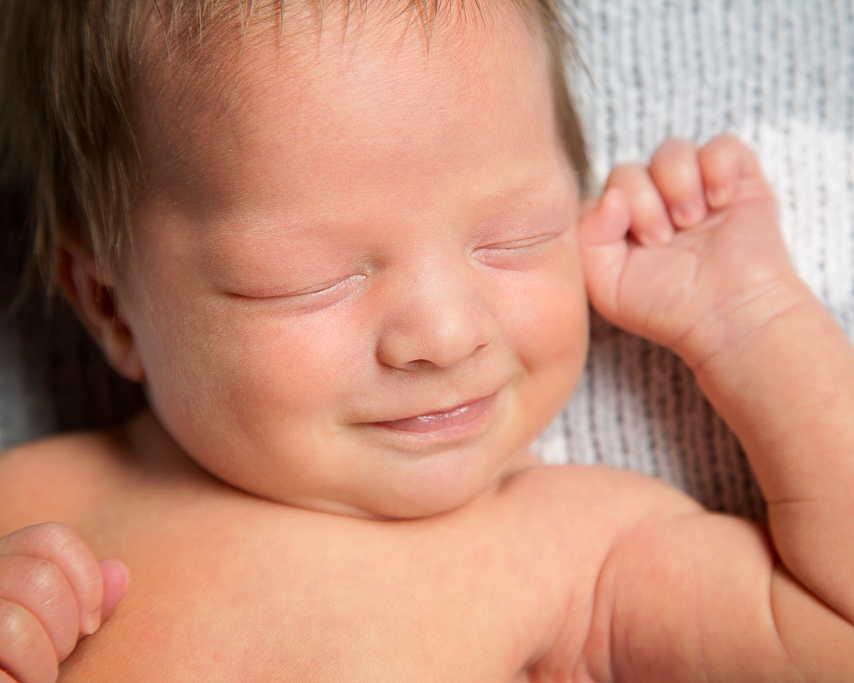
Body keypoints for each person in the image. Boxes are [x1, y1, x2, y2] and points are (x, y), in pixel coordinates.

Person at [1, 0, 853, 680]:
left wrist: (756, 321)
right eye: (310, 278)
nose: (444, 336)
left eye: (515, 238)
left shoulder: (573, 551)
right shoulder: (32, 513)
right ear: (109, 304)